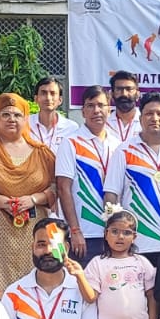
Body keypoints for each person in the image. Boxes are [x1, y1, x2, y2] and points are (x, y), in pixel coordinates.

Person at [0, 93, 57, 294]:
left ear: (26, 119)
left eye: (17, 115)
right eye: (5, 114)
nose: (11, 119)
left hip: (33, 229)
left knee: (32, 289)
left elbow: (57, 186)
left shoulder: (42, 153)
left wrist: (34, 199)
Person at [104, 92, 160, 259]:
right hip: (137, 243)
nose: (154, 118)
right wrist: (116, 234)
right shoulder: (124, 150)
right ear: (141, 118)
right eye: (149, 113)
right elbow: (111, 195)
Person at [55, 86, 120, 263]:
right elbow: (63, 188)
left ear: (109, 109)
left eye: (101, 105)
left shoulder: (118, 145)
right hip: (85, 233)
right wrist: (75, 230)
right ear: (83, 111)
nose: (96, 110)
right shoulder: (71, 142)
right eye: (90, 106)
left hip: (113, 232)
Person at [27, 76, 79, 157]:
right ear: (36, 99)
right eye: (43, 93)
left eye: (53, 93)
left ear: (60, 100)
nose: (48, 98)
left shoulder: (71, 128)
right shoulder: (25, 124)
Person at [107, 70, 142, 145]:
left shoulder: (146, 122)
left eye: (129, 89)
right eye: (119, 89)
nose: (124, 94)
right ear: (111, 94)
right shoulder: (104, 123)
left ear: (137, 94)